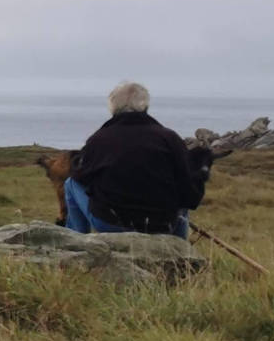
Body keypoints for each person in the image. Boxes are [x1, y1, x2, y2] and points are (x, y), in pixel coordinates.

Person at [64, 81, 202, 238]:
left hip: (110, 223)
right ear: (145, 106)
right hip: (162, 225)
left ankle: (75, 243)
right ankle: (179, 251)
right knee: (181, 194)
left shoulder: (99, 139)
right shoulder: (169, 138)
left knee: (71, 183)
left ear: (113, 108)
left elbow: (82, 174)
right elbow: (191, 194)